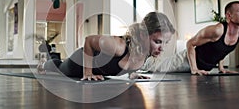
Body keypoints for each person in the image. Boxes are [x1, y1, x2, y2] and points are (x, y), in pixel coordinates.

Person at [37, 12, 176, 80]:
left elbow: (128, 64)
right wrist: (88, 73)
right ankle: (43, 64)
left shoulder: (145, 52)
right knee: (59, 68)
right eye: (158, 41)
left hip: (92, 67)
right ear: (143, 35)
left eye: (165, 42)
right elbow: (89, 41)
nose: (162, 48)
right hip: (79, 63)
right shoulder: (118, 46)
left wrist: (133, 74)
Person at [143, 1, 239, 75]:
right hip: (186, 60)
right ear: (229, 16)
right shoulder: (217, 30)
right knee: (157, 67)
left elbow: (222, 49)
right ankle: (144, 62)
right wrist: (194, 69)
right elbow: (190, 43)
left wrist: (221, 68)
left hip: (202, 66)